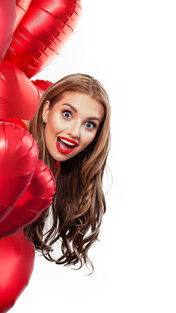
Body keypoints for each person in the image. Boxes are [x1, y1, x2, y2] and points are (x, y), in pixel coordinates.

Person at [24, 73, 111, 270]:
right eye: (67, 114)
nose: (74, 132)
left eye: (89, 125)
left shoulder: (51, 166)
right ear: (46, 111)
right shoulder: (10, 143)